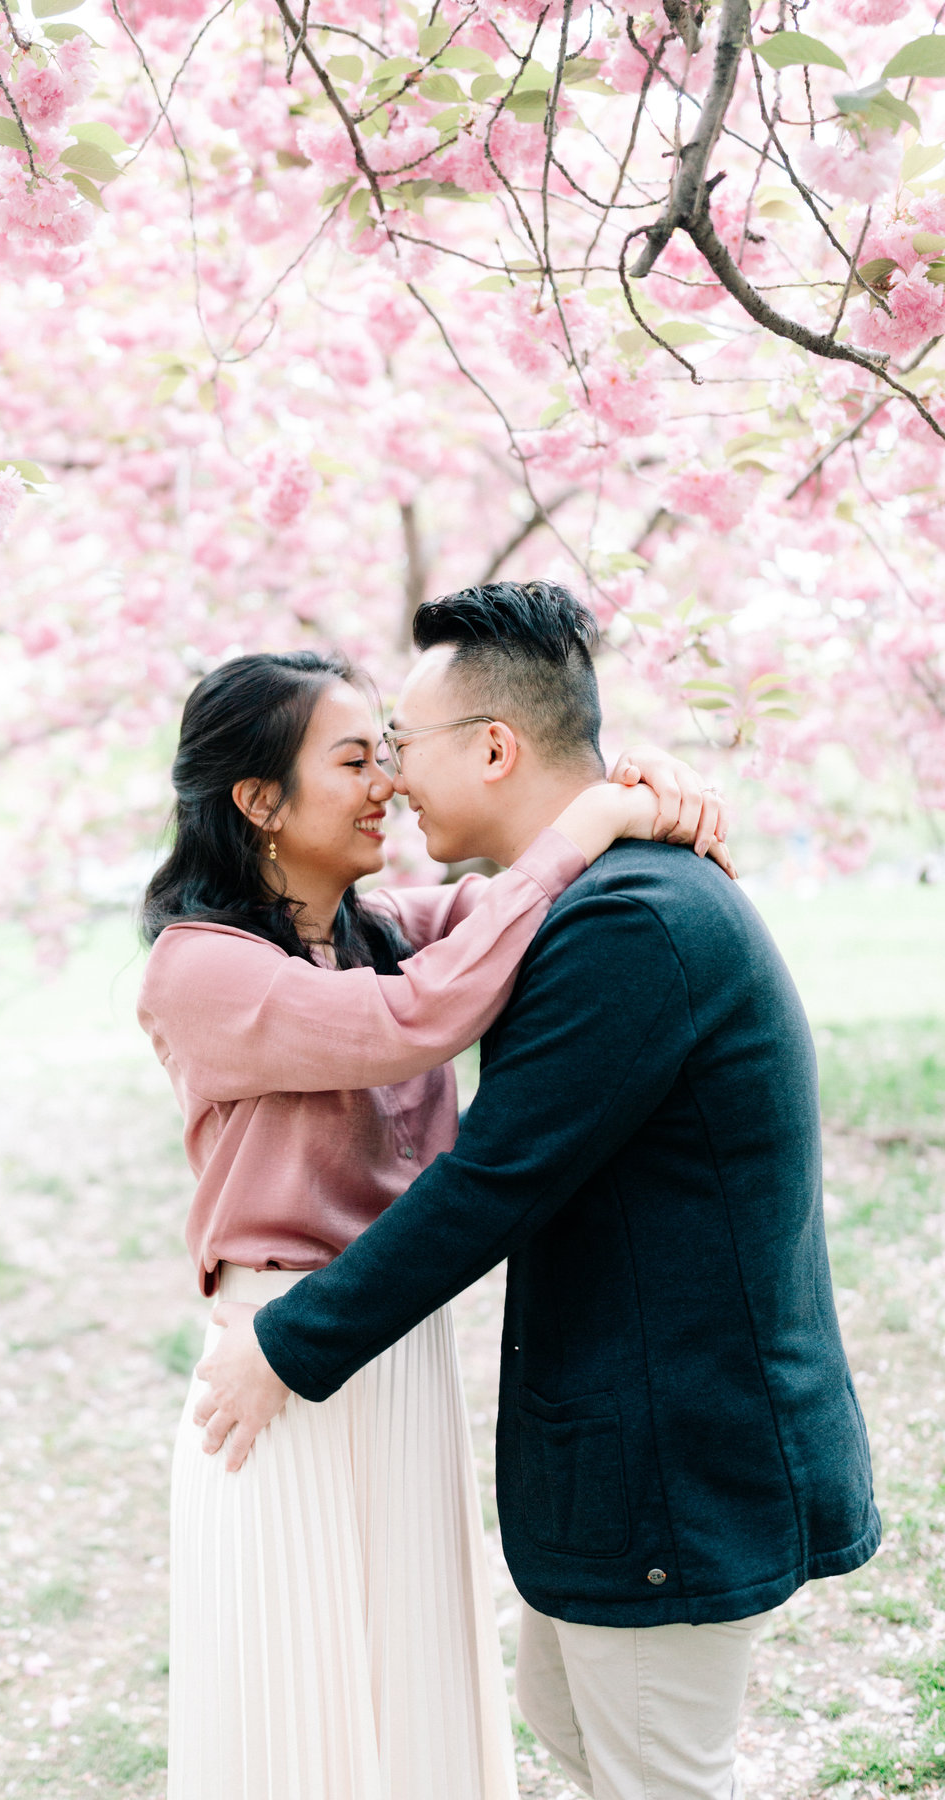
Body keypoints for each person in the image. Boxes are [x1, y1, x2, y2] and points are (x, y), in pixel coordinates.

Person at [193, 581, 881, 1800]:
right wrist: (620, 806)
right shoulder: (587, 904)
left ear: (496, 748)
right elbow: (432, 962)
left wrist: (286, 1345)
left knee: (658, 1774)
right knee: (563, 1724)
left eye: (399, 748)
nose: (393, 782)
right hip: (639, 1440)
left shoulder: (628, 926)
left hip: (674, 1456)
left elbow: (488, 1185)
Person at [137, 639, 730, 1800]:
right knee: (300, 1704)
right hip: (278, 1366)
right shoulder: (196, 970)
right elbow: (420, 1019)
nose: (390, 785)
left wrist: (634, 790)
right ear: (259, 799)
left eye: (391, 754)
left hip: (392, 1345)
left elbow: (521, 900)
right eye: (357, 760)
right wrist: (586, 825)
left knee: (411, 1691)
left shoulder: (386, 925)